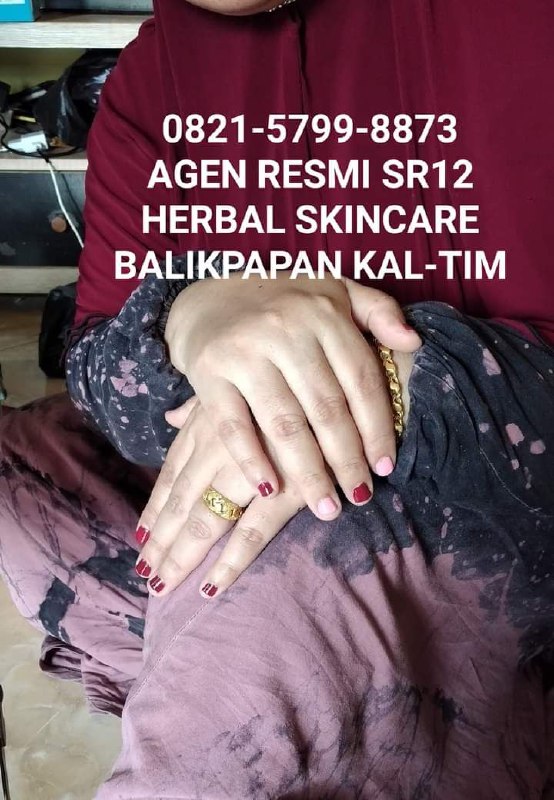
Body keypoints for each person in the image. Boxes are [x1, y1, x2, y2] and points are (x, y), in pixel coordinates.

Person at [0, 0, 553, 797]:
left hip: (507, 469)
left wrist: (393, 379)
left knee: (302, 545)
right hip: (255, 470)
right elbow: (93, 347)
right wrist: (188, 315)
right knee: (28, 469)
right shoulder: (153, 72)